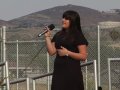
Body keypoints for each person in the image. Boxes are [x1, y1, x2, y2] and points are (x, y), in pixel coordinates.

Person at [44, 10, 88, 90]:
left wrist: (68, 53)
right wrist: (47, 37)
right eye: (63, 18)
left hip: (72, 73)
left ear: (73, 21)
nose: (63, 20)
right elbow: (51, 52)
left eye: (67, 18)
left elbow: (83, 56)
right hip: (58, 73)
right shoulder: (58, 35)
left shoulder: (78, 35)